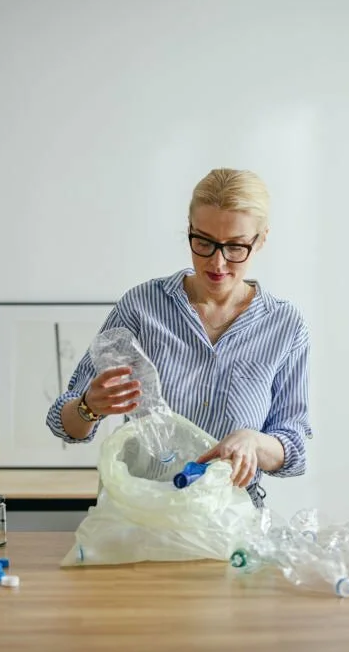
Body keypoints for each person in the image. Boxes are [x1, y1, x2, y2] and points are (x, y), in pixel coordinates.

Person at [45, 168, 312, 507]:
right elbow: (64, 423)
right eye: (203, 242)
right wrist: (89, 407)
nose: (217, 262)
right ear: (189, 230)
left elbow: (294, 446)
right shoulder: (142, 306)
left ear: (260, 240)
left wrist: (252, 442)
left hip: (228, 525)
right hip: (142, 518)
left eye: (235, 247)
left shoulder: (285, 325)